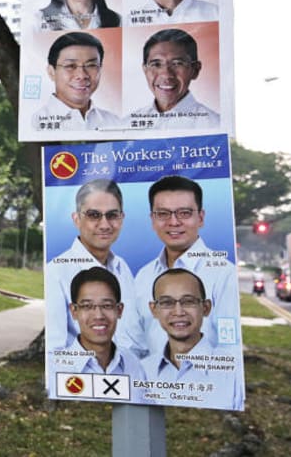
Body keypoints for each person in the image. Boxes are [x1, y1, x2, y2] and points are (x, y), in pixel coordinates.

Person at [134, 176, 240, 357]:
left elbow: (230, 347)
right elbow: (134, 343)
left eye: (184, 213)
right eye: (163, 214)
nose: (174, 222)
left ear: (201, 217)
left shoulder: (224, 274)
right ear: (152, 219)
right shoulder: (144, 275)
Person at [46, 179, 146, 356]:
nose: (105, 225)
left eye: (112, 215)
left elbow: (134, 337)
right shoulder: (56, 273)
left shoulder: (121, 267)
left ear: (122, 218)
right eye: (94, 215)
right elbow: (55, 352)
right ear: (76, 219)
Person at [142, 268, 244, 410]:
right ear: (154, 310)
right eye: (167, 303)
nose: (178, 312)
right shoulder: (142, 370)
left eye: (188, 301)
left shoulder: (234, 373)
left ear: (206, 308)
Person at [49, 268, 145, 402]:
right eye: (87, 306)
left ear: (119, 310)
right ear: (74, 311)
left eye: (107, 305)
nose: (98, 316)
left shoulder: (133, 364)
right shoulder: (54, 368)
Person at [125, 28, 220, 130]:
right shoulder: (127, 124)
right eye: (156, 64)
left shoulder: (215, 125)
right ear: (145, 70)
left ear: (195, 70)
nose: (166, 75)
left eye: (177, 63)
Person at [31, 32, 121, 132]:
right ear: (51, 72)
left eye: (91, 65)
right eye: (70, 66)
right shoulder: (34, 124)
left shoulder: (114, 122)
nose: (82, 75)